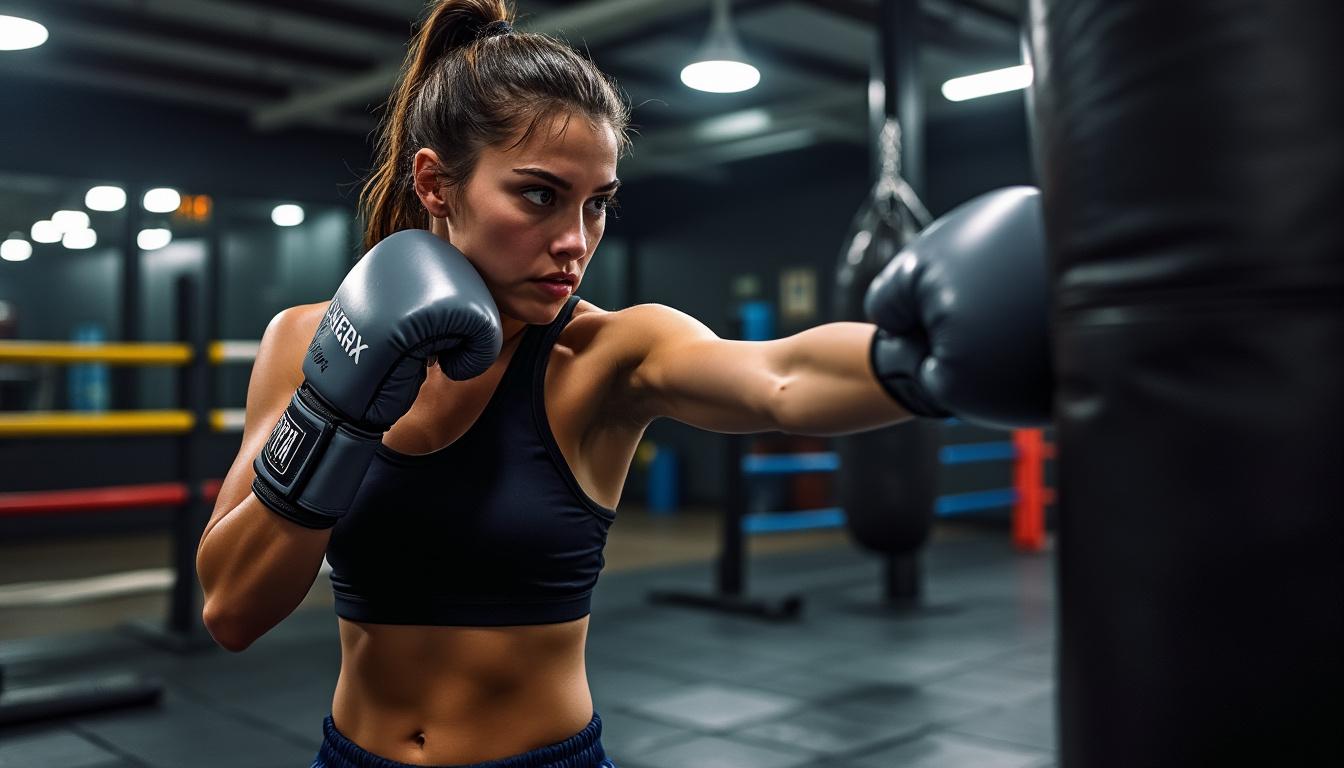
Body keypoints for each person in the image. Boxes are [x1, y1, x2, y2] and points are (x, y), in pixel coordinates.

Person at [195, 1, 1049, 766]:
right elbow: (232, 609)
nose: (574, 239)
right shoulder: (308, 341)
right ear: (434, 183)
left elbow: (780, 378)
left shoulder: (607, 356)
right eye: (538, 196)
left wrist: (914, 361)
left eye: (597, 203)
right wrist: (334, 411)